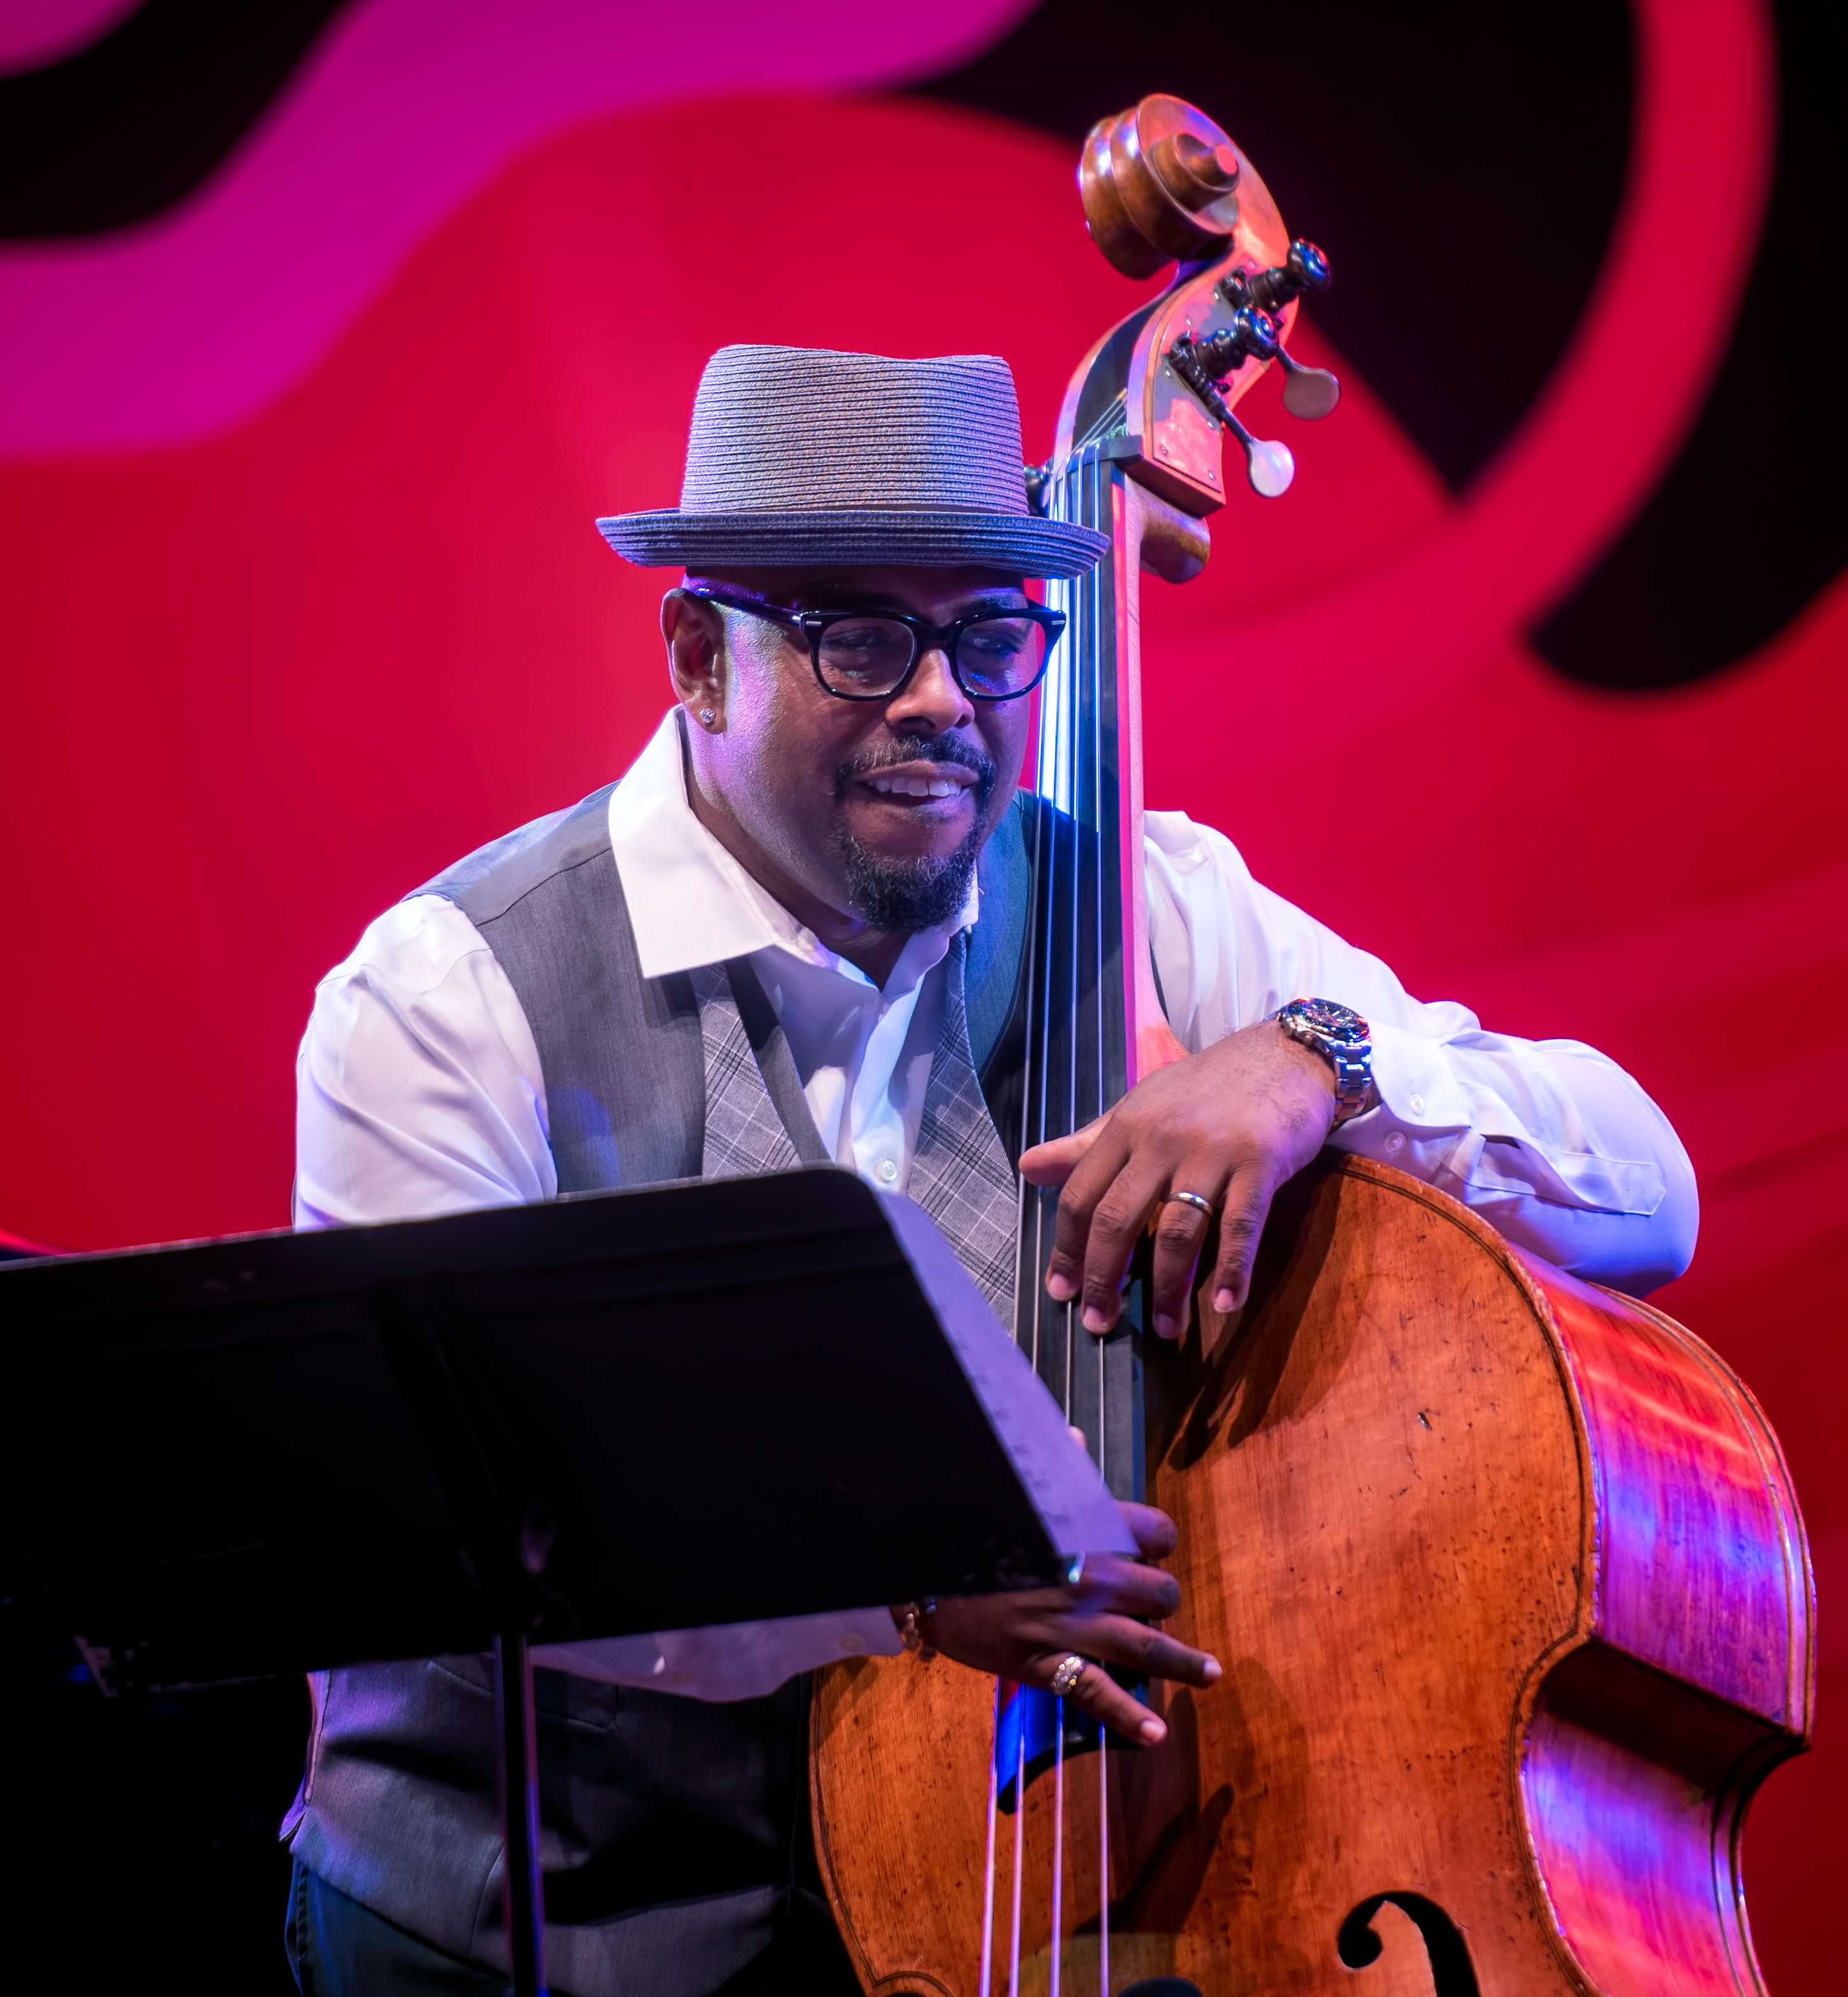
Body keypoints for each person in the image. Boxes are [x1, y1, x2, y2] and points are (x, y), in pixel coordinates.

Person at [279, 345, 1695, 1995]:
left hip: (1013, 1899)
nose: (944, 699)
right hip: (535, 1918)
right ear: (698, 654)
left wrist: (1322, 1058)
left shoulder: (1139, 897)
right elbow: (440, 1531)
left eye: (991, 636)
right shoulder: (453, 989)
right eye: (862, 636)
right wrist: (905, 1600)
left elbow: (1642, 1189)